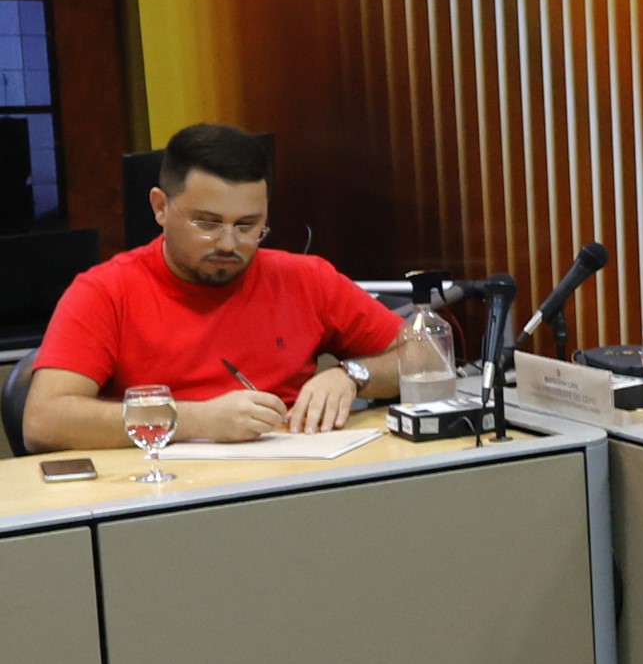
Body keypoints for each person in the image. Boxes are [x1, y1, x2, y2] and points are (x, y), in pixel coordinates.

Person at [23, 123, 406, 452]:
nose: (228, 244)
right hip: (167, 494)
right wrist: (196, 420)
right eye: (207, 223)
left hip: (292, 477)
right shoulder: (105, 291)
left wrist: (353, 375)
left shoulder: (304, 278)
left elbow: (425, 357)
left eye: (247, 226)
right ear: (160, 207)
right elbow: (43, 421)